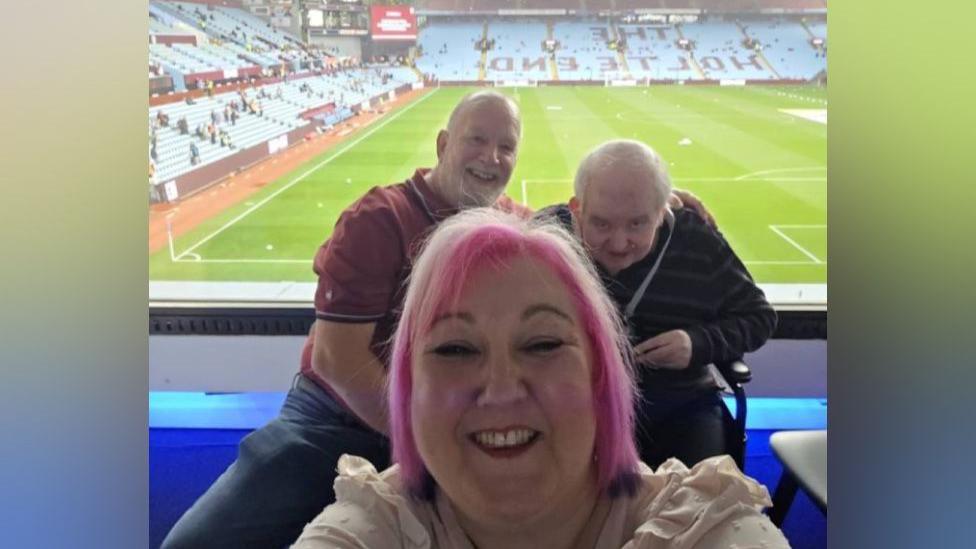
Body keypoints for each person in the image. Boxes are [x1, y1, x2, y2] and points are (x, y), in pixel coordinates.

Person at [163, 92, 714, 549]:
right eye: (477, 139)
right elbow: (338, 359)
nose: (491, 157)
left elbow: (575, 225)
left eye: (506, 147)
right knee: (199, 542)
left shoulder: (511, 225)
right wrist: (428, 438)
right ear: (444, 145)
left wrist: (663, 204)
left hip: (446, 421)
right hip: (334, 417)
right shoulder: (378, 219)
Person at [293, 208, 788, 548]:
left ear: (600, 376)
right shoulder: (372, 524)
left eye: (544, 344)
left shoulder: (707, 527)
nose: (502, 389)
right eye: (455, 349)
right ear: (409, 390)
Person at [539, 140, 777, 469]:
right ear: (577, 208)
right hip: (576, 402)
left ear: (663, 210)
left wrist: (695, 344)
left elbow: (758, 317)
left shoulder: (697, 240)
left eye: (638, 223)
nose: (619, 244)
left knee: (700, 499)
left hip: (680, 405)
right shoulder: (548, 236)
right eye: (601, 224)